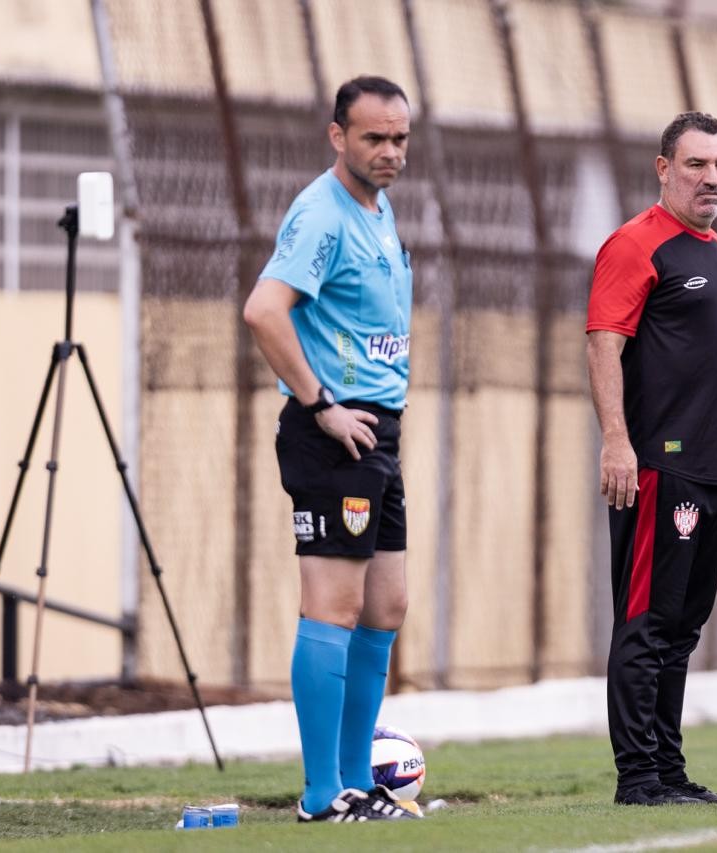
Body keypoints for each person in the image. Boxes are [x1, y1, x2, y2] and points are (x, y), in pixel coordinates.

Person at [586, 111, 717, 807]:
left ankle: (667, 771)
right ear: (664, 168)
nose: (712, 178)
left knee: (682, 629)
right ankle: (637, 778)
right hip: (659, 466)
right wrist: (616, 440)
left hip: (714, 469)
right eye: (697, 164)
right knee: (646, 622)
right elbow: (603, 342)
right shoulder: (635, 246)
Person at [242, 75, 418, 823]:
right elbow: (263, 311)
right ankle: (322, 793)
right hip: (334, 436)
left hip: (380, 431)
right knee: (334, 608)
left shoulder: (379, 209)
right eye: (373, 137)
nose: (388, 152)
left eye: (399, 138)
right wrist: (321, 405)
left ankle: (358, 782)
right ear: (337, 135)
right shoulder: (321, 214)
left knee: (386, 605)